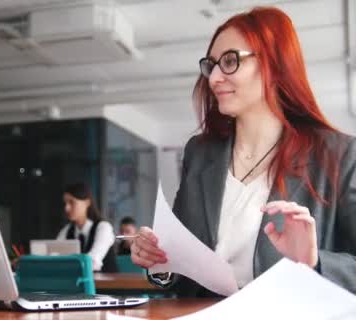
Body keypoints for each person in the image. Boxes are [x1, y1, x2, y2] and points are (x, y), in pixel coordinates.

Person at [131, 6, 356, 296]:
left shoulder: (338, 154)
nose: (213, 78)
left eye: (229, 61)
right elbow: (180, 259)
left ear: (275, 65)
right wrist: (159, 262)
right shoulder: (200, 153)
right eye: (211, 66)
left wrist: (314, 263)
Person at [56, 183, 117, 272]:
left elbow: (93, 262)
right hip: (78, 284)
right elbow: (55, 258)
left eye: (72, 202)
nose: (67, 208)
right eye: (65, 203)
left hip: (107, 284)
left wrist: (65, 268)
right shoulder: (66, 231)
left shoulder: (103, 228)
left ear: (87, 202)